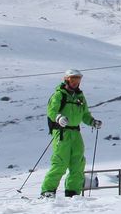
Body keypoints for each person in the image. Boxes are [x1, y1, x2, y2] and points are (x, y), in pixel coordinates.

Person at [41, 69, 102, 198]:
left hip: (75, 132)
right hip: (62, 132)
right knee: (60, 162)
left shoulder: (80, 97)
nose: (75, 83)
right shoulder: (59, 95)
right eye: (73, 80)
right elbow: (51, 111)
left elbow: (84, 114)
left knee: (78, 162)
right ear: (66, 79)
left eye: (78, 80)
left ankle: (73, 192)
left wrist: (92, 122)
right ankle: (48, 191)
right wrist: (59, 118)